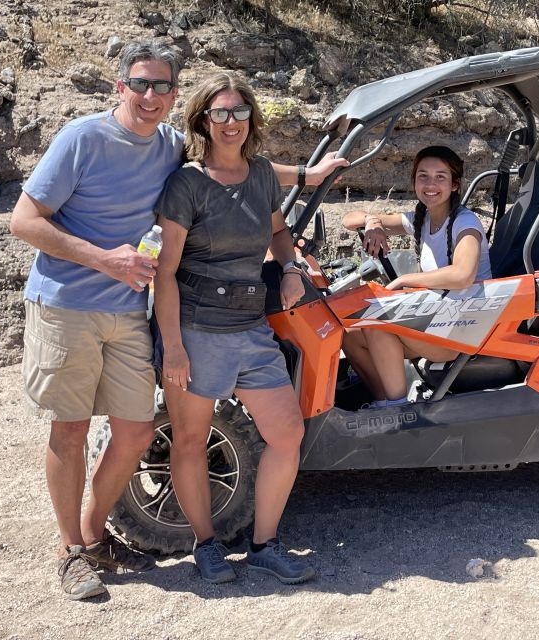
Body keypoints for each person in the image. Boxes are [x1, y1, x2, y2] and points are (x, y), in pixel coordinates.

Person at [10, 41, 343, 600]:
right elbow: (24, 220)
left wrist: (308, 180)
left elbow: (246, 171)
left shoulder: (169, 145)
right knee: (70, 430)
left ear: (172, 98)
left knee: (139, 430)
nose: (149, 96)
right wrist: (106, 261)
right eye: (140, 84)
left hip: (130, 310)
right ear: (120, 86)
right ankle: (74, 551)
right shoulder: (84, 139)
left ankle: (97, 537)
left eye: (162, 87)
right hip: (68, 300)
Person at [153, 72, 315, 585]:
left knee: (287, 433)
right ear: (203, 118)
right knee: (190, 440)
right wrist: (173, 347)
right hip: (198, 328)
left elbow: (278, 231)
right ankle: (206, 546)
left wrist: (290, 268)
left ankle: (264, 545)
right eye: (220, 113)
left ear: (251, 118)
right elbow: (165, 270)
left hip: (251, 327)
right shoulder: (188, 184)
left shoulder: (262, 173)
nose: (231, 123)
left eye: (239, 113)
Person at [340, 145, 492, 407]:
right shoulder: (420, 219)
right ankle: (382, 402)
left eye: (440, 177)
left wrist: (405, 280)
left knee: (378, 324)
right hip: (438, 319)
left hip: (464, 326)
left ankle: (398, 409)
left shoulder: (465, 223)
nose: (430, 184)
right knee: (349, 335)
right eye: (423, 176)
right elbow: (348, 219)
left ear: (455, 185)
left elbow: (463, 275)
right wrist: (372, 222)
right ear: (414, 182)